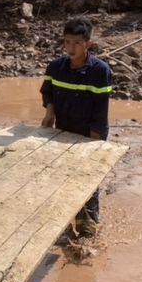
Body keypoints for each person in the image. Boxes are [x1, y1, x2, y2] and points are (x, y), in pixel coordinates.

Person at [40, 19, 112, 238]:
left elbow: (100, 111)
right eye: (67, 42)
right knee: (62, 179)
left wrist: (93, 145)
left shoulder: (100, 71)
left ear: (88, 44)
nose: (71, 48)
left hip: (89, 134)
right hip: (62, 132)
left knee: (87, 182)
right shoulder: (55, 67)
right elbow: (48, 92)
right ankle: (64, 227)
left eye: (77, 43)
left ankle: (88, 231)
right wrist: (50, 112)